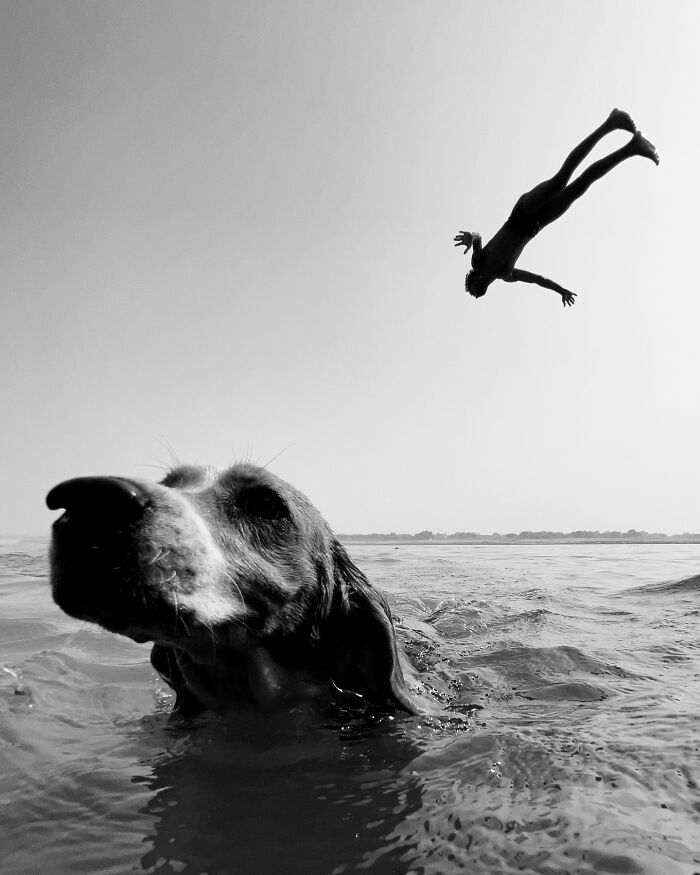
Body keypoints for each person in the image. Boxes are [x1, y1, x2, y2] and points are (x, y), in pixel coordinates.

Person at [454, 109, 659, 307]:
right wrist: (560, 290)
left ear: (474, 278)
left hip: (521, 213)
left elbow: (478, 237)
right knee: (579, 187)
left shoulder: (478, 263)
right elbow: (538, 280)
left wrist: (471, 238)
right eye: (475, 294)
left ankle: (609, 124)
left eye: (471, 290)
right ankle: (633, 147)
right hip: (536, 224)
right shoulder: (506, 275)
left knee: (560, 181)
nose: (476, 294)